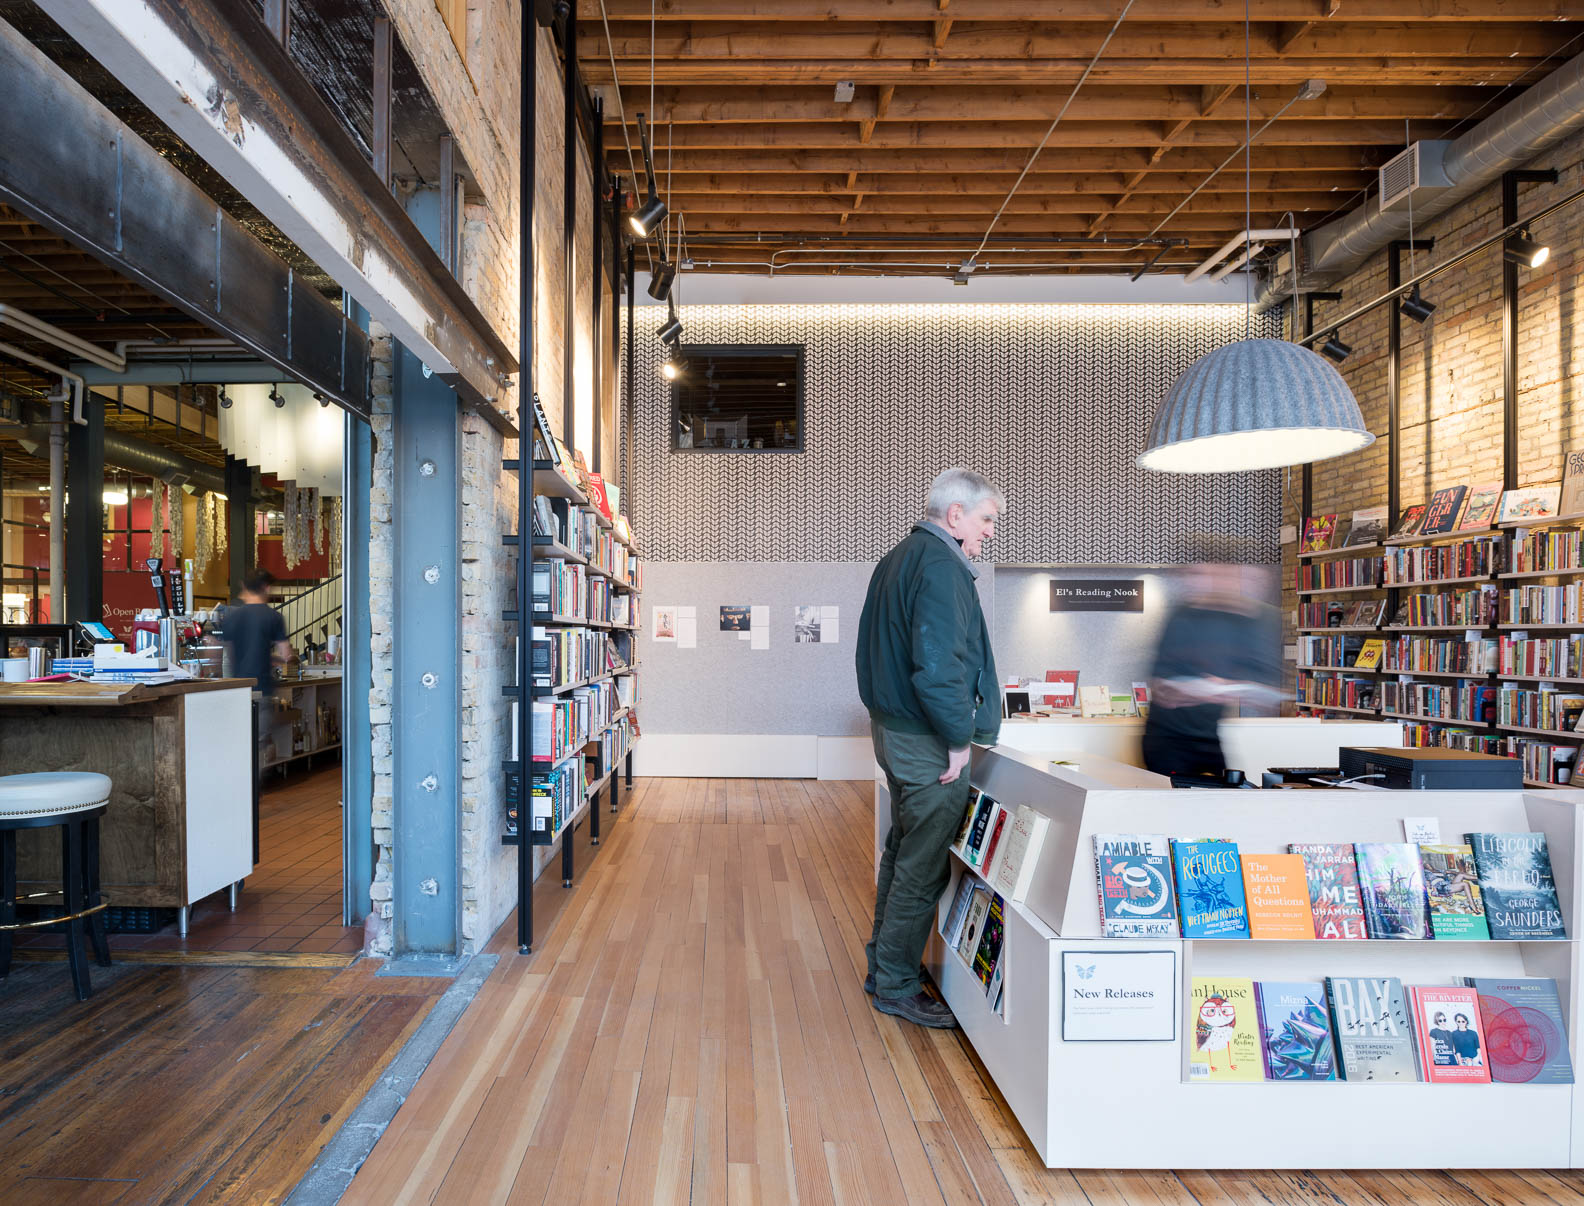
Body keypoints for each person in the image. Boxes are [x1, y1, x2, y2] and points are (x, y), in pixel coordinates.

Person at [857, 468, 1003, 1028]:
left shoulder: (898, 557)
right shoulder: (942, 567)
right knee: (921, 866)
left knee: (901, 852)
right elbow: (939, 670)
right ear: (955, 514)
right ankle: (894, 983)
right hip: (927, 744)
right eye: (987, 520)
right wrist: (959, 741)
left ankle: (884, 967)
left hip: (895, 734)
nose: (990, 532)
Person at [1142, 557, 1282, 781]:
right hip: (1168, 739)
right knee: (1171, 802)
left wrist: (1229, 687)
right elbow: (1161, 688)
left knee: (1227, 799)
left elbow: (1267, 687)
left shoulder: (1254, 620)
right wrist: (1198, 690)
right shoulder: (1182, 616)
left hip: (1211, 737)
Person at [221, 568, 294, 713]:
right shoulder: (274, 617)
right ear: (265, 588)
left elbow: (228, 654)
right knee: (260, 734)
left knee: (242, 733)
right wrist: (276, 659)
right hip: (262, 688)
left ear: (245, 587)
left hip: (238, 688)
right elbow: (286, 655)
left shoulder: (231, 616)